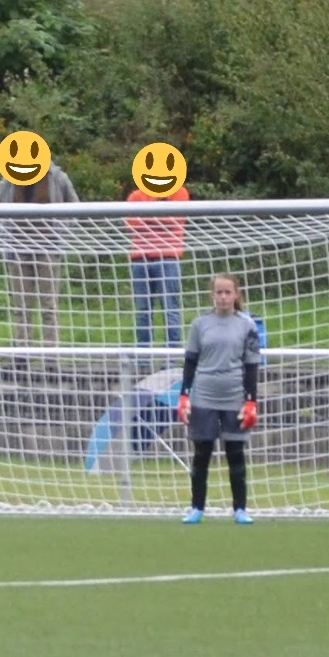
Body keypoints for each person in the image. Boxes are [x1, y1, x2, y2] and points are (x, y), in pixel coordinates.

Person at [177, 272, 261, 525]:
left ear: (236, 295)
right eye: (219, 292)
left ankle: (240, 509)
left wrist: (251, 401)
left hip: (234, 395)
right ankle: (197, 507)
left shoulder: (247, 325)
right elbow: (190, 361)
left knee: (235, 453)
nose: (223, 297)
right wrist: (184, 395)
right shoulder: (200, 324)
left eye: (227, 292)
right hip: (204, 395)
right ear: (212, 295)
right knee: (202, 453)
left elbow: (252, 364)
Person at [0, 160, 79, 348]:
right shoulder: (9, 180)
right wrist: (3, 232)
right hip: (18, 249)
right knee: (21, 306)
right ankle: (23, 351)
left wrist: (61, 233)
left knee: (49, 306)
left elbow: (75, 207)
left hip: (48, 248)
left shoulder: (57, 177)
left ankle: (50, 354)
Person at [127, 180, 190, 347]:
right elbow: (131, 223)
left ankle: (171, 355)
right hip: (140, 258)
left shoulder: (179, 192)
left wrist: (145, 217)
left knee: (170, 308)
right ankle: (143, 356)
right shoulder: (135, 196)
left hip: (168, 257)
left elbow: (174, 220)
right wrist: (159, 216)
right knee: (142, 311)